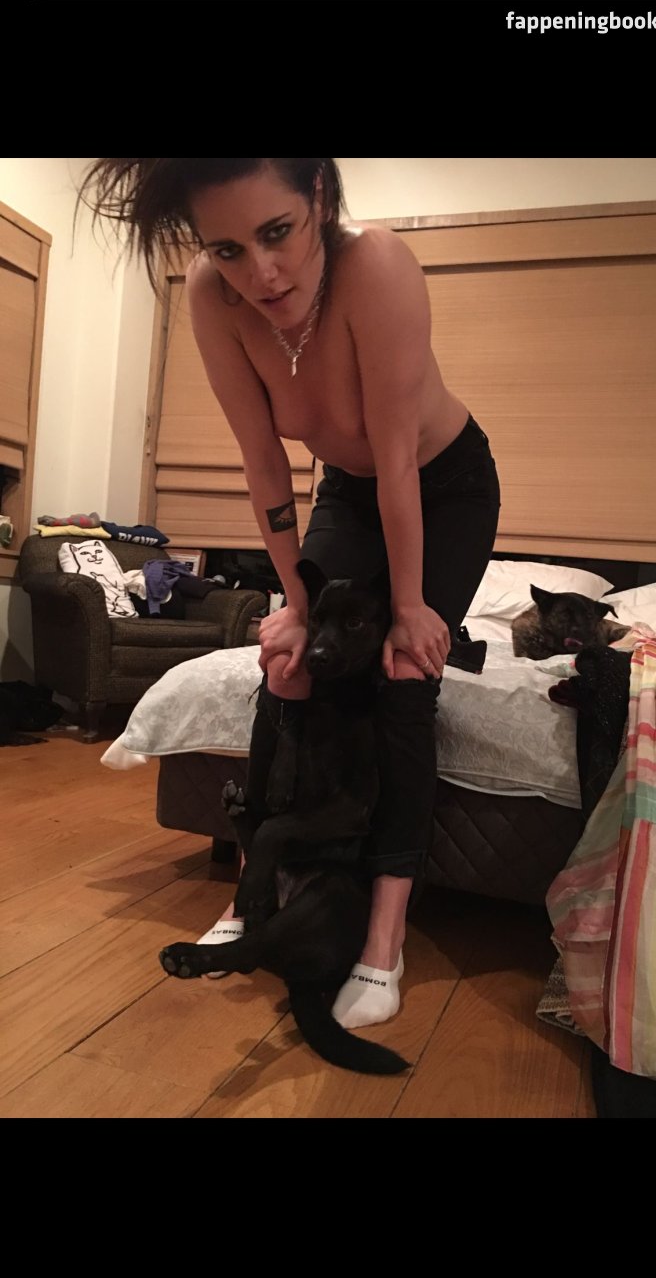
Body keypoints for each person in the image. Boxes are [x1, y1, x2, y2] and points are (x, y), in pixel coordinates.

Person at [78, 158, 501, 1028]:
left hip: (443, 488)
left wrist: (410, 609)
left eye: (277, 233)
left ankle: (384, 937)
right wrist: (296, 608)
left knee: (404, 676)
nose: (262, 274)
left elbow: (399, 466)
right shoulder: (212, 297)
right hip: (345, 488)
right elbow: (265, 464)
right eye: (229, 248)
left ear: (318, 198)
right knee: (287, 664)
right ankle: (254, 895)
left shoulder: (377, 267)